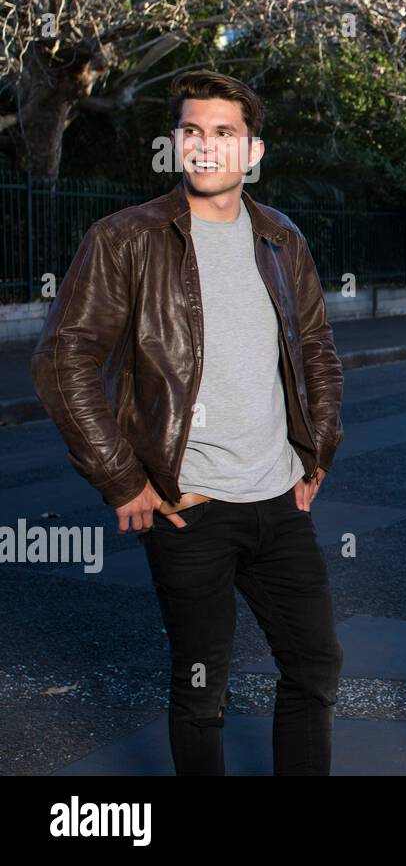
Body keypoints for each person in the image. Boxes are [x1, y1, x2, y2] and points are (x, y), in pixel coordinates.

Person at [31, 69, 345, 776]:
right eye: (192, 132)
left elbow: (316, 348)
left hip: (278, 498)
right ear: (175, 145)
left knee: (316, 665)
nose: (206, 147)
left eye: (224, 133)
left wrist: (317, 450)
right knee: (203, 689)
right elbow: (62, 359)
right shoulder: (126, 238)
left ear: (253, 151)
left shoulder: (281, 238)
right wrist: (123, 482)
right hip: (189, 505)